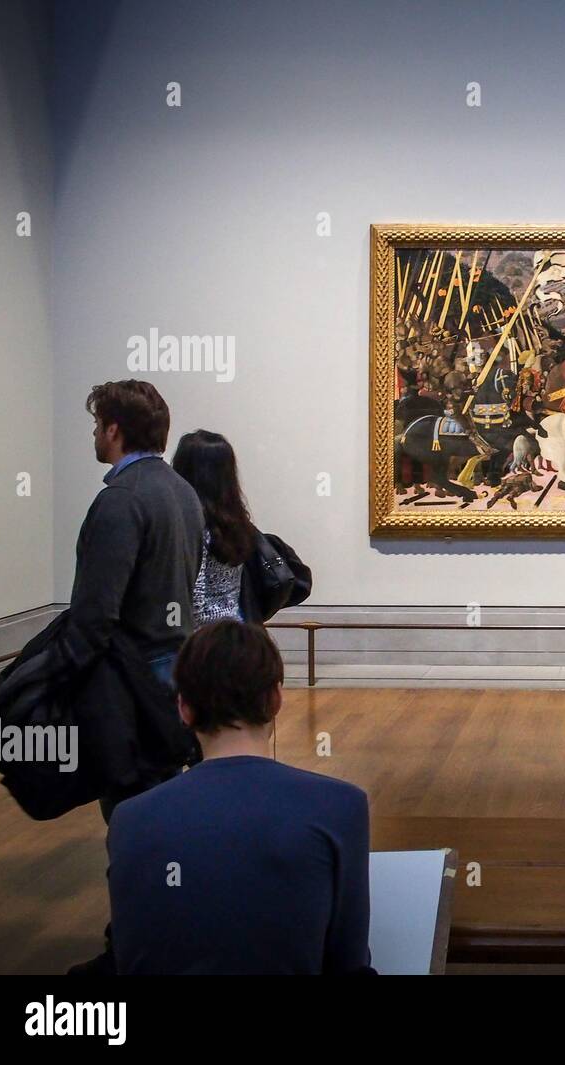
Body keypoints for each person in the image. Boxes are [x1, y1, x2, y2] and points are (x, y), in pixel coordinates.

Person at [106, 621, 373, 975]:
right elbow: (348, 961)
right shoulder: (341, 806)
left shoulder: (129, 818)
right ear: (276, 699)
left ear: (184, 707)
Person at [69, 380, 203, 733]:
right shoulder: (183, 490)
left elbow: (97, 605)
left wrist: (72, 674)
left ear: (113, 430)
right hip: (177, 659)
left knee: (132, 783)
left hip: (134, 668)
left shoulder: (122, 497)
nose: (95, 433)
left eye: (97, 425)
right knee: (164, 778)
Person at [171, 430, 255, 627]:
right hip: (235, 629)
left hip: (204, 642)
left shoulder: (194, 526)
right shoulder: (235, 521)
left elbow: (196, 604)